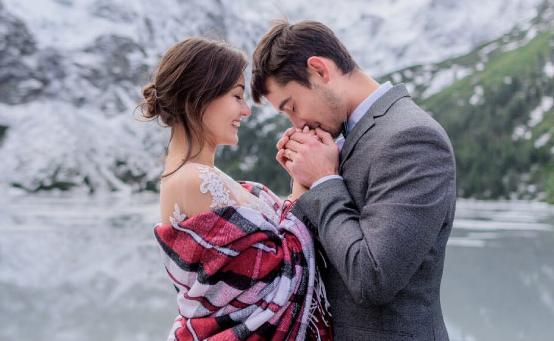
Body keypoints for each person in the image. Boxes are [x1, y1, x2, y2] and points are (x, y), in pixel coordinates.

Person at [250, 20, 457, 341]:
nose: (296, 124)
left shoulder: (413, 138)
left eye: (292, 107)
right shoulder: (335, 138)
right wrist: (302, 188)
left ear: (320, 70)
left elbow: (372, 278)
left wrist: (322, 182)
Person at [140, 36, 332, 341]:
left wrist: (301, 180)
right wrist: (312, 183)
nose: (246, 110)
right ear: (200, 95)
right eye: (237, 96)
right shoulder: (194, 180)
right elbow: (274, 277)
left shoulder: (204, 176)